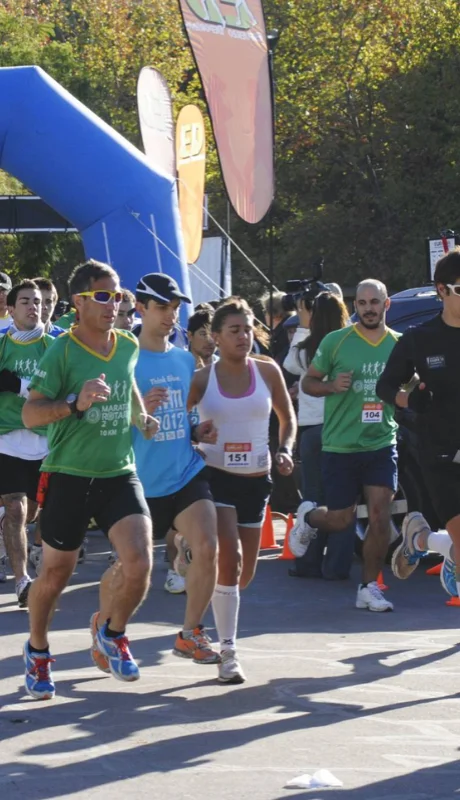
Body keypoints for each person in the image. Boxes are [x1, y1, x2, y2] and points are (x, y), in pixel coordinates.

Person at [21, 259, 158, 700]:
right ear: (79, 302)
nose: (113, 304)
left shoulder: (127, 344)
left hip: (119, 471)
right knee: (55, 575)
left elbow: (127, 381)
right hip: (69, 475)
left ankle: (111, 632)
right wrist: (74, 404)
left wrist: (141, 416)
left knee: (140, 562)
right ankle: (38, 651)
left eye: (117, 296)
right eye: (103, 296)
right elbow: (31, 413)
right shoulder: (61, 352)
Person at [188, 297, 297, 682]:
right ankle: (229, 651)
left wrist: (284, 449)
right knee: (230, 558)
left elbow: (287, 418)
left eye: (248, 329)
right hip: (216, 477)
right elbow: (179, 424)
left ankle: (203, 577)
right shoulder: (202, 379)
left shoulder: (267, 371)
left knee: (242, 575)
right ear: (216, 337)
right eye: (234, 330)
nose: (243, 336)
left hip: (257, 479)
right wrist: (193, 437)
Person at [291, 279, 400, 611]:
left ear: (386, 305)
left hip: (381, 442)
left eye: (374, 302)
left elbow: (405, 388)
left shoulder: (399, 344)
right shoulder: (336, 342)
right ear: (355, 308)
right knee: (341, 520)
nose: (368, 308)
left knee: (380, 516)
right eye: (362, 303)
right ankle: (308, 519)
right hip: (340, 446)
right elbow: (307, 383)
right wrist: (330, 385)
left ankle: (368, 587)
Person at [132, 272, 221, 662]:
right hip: (138, 482)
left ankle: (190, 633)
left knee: (206, 547)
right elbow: (107, 425)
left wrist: (196, 430)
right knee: (132, 571)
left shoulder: (185, 360)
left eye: (174, 308)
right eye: (161, 308)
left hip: (185, 471)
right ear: (140, 308)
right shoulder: (126, 360)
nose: (170, 316)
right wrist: (139, 413)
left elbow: (183, 418)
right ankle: (107, 623)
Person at [376, 247, 460, 602]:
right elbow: (386, 386)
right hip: (440, 450)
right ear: (442, 290)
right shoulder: (419, 338)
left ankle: (420, 539)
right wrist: (409, 400)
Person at [284, 291, 355, 579]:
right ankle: (338, 567)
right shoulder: (349, 344)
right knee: (344, 500)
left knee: (312, 498)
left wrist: (303, 323)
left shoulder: (307, 347)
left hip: (313, 430)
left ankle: (308, 563)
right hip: (344, 429)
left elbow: (289, 364)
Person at [0, 279, 52, 607]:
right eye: (25, 301)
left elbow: (61, 386)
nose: (34, 307)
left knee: (33, 511)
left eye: (38, 302)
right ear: (11, 308)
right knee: (16, 508)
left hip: (43, 440)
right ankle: (22, 582)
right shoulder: (1, 342)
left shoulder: (56, 345)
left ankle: (11, 534)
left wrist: (16, 383)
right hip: (6, 437)